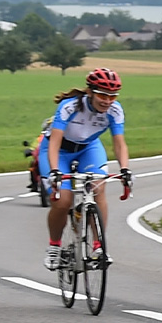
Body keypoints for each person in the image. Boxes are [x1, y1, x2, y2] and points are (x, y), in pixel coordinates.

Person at [43, 68, 131, 268]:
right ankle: (54, 247)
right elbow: (55, 141)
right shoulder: (70, 106)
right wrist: (55, 170)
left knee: (98, 188)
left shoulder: (115, 110)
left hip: (88, 148)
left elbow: (119, 143)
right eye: (102, 95)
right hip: (59, 150)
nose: (107, 101)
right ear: (90, 92)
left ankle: (99, 247)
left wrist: (125, 169)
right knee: (63, 201)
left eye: (112, 96)